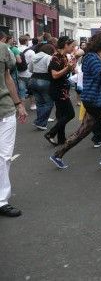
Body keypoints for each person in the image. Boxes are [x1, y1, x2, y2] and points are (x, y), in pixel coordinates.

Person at [49, 31, 101, 170]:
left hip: (93, 99)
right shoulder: (92, 58)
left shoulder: (95, 56)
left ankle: (57, 155)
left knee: (82, 132)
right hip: (95, 101)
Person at [0, 30, 28, 217]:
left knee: (4, 156)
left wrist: (19, 104)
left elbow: (7, 77)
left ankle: (1, 200)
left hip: (4, 109)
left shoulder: (2, 49)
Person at [45, 36, 76, 146]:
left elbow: (70, 70)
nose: (73, 48)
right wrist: (68, 68)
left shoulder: (64, 56)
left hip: (62, 89)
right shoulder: (56, 57)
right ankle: (51, 133)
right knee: (70, 114)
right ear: (65, 45)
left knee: (61, 115)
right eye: (72, 46)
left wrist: (72, 65)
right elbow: (55, 75)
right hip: (58, 90)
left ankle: (61, 139)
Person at [28, 42, 55, 130]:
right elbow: (50, 69)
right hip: (44, 80)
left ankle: (42, 122)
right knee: (49, 103)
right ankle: (40, 122)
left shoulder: (34, 56)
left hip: (33, 80)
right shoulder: (48, 57)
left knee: (39, 103)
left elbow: (30, 69)